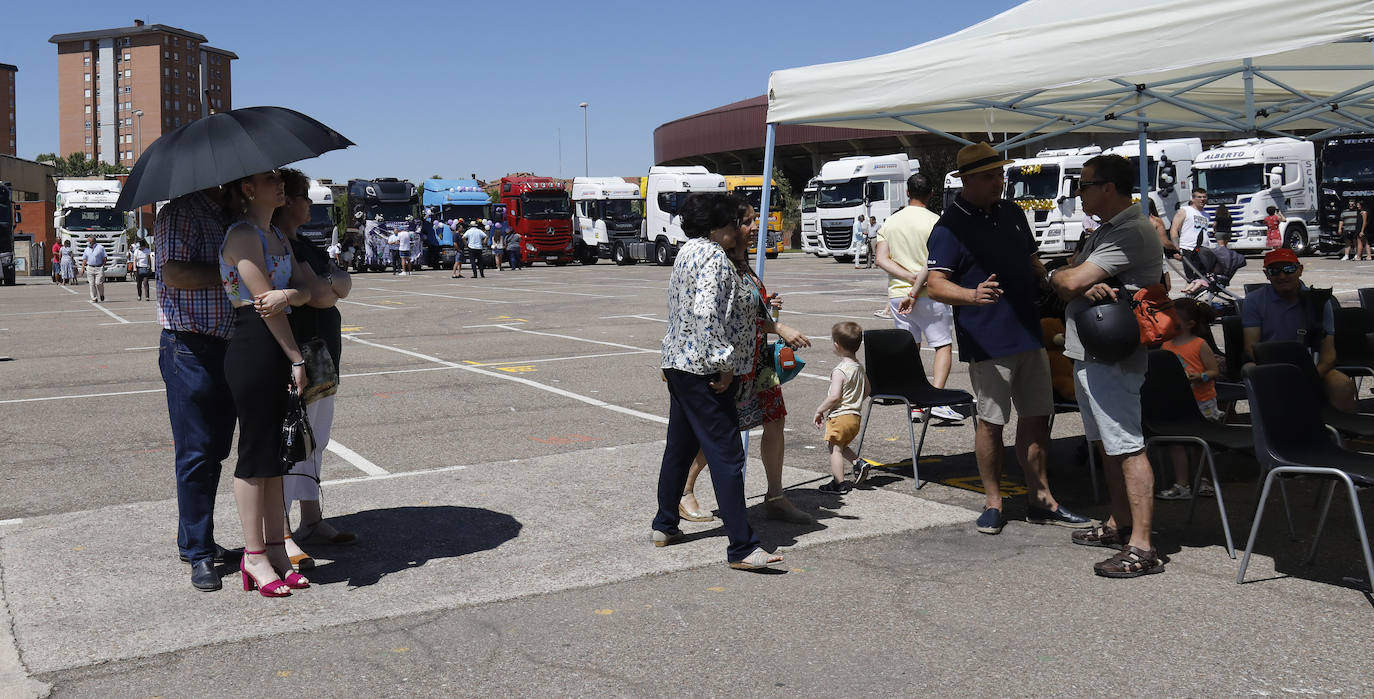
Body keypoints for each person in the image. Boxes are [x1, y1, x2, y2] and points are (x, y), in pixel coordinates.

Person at [918, 142, 1091, 536]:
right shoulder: (949, 226)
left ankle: (1041, 497)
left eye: (1000, 175)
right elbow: (935, 285)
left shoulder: (1012, 212)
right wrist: (971, 296)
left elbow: (1031, 262)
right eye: (990, 176)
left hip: (1028, 332)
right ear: (967, 180)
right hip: (989, 340)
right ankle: (993, 501)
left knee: (1037, 417)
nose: (1000, 182)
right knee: (991, 423)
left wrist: (1054, 279)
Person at [653, 192, 783, 571]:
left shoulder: (686, 252)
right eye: (731, 223)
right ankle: (741, 547)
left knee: (678, 448)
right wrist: (724, 362)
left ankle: (665, 524)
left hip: (678, 363)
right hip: (703, 369)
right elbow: (706, 312)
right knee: (728, 455)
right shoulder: (712, 257)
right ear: (715, 227)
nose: (736, 229)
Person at [1051, 153, 1166, 578]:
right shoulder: (1108, 230)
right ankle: (1121, 523)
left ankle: (1142, 545)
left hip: (1113, 355)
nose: (1078, 193)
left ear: (1108, 188)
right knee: (1106, 444)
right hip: (1092, 351)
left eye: (1083, 185)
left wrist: (1061, 277)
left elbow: (1069, 281)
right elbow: (1072, 275)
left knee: (1126, 444)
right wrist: (1070, 275)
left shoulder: (1130, 231)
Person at [679, 203, 814, 525]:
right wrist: (778, 326)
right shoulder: (720, 261)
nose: (755, 226)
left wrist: (768, 305)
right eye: (749, 222)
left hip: (757, 360)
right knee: (720, 432)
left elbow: (749, 308)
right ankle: (684, 492)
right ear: (730, 225)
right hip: (733, 363)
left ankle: (775, 496)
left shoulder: (742, 261)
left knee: (775, 420)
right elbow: (731, 316)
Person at [219, 169, 314, 598]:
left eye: (281, 179)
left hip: (278, 341)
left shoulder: (275, 233)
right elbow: (262, 304)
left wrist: (291, 295)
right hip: (255, 344)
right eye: (270, 179)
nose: (281, 186)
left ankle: (276, 549)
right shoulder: (242, 234)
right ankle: (253, 555)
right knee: (256, 454)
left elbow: (306, 291)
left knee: (278, 453)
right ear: (247, 188)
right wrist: (296, 357)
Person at [272, 169, 358, 564]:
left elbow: (342, 281)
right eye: (304, 196)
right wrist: (329, 284)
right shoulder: (278, 244)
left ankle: (311, 519)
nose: (310, 204)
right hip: (300, 355)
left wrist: (330, 283)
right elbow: (325, 294)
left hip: (324, 355)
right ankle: (283, 531)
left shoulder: (306, 243)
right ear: (287, 200)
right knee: (292, 439)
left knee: (316, 438)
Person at [155, 187, 237, 591]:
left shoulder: (230, 214)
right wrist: (234, 271)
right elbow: (174, 274)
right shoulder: (181, 213)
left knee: (216, 451)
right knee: (195, 453)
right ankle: (199, 554)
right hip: (189, 347)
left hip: (228, 346)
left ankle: (196, 538)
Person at [874, 172, 961, 423]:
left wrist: (908, 277)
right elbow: (932, 261)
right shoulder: (937, 221)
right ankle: (938, 399)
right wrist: (918, 281)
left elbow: (881, 259)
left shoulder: (890, 222)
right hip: (931, 292)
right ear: (931, 194)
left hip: (897, 293)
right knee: (942, 344)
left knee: (910, 348)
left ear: (907, 193)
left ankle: (915, 403)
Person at [1241, 247, 1357, 412]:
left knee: (1342, 384)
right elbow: (1250, 348)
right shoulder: (1254, 301)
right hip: (1269, 365)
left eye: (1288, 269)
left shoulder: (1319, 301)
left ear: (1300, 270)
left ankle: (1345, 434)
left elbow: (1329, 355)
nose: (1282, 276)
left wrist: (1310, 377)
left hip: (1311, 368)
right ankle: (1271, 431)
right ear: (1267, 275)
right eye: (1275, 271)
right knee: (1250, 369)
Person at [1157, 297, 1219, 500]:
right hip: (1177, 402)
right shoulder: (1166, 346)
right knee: (1177, 443)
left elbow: (1213, 371)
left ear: (1189, 324)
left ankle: (1204, 480)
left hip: (1202, 401)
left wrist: (1200, 377)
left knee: (1202, 443)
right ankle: (1182, 484)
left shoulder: (1199, 344)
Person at [813, 322, 868, 493]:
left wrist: (820, 409)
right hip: (855, 417)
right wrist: (855, 401)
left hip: (840, 416)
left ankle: (839, 483)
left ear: (836, 345)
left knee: (834, 448)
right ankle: (859, 462)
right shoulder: (859, 367)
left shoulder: (840, 370)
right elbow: (868, 390)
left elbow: (834, 396)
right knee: (842, 445)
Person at [1170, 187, 1212, 279]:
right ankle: (1189, 293)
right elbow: (1174, 229)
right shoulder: (1185, 210)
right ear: (1193, 199)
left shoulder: (1207, 215)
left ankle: (1192, 293)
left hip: (1203, 249)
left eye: (1204, 197)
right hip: (1188, 248)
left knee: (1202, 278)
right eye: (1199, 197)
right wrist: (1177, 249)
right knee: (1191, 278)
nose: (1202, 199)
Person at [82, 235, 107, 302]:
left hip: (99, 267)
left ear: (93, 241)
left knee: (98, 283)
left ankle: (101, 294)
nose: (88, 242)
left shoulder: (100, 248)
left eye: (89, 241)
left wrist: (103, 266)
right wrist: (83, 268)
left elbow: (105, 258)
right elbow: (84, 259)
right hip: (90, 267)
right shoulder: (86, 249)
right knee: (91, 284)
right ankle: (94, 297)